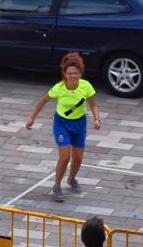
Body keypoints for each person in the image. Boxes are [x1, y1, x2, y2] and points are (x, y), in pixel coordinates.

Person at [26, 52, 101, 203]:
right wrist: (32, 118)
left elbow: (93, 104)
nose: (73, 76)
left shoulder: (86, 86)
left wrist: (96, 119)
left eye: (76, 73)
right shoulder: (59, 88)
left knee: (78, 158)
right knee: (65, 156)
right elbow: (43, 100)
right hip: (62, 124)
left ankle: (71, 179)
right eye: (70, 73)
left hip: (79, 124)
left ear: (80, 73)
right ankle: (57, 186)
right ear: (65, 74)